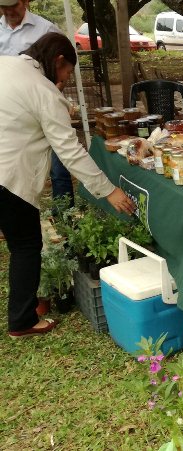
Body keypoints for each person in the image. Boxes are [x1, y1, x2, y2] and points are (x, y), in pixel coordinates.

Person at [0, 32, 136, 339]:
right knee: (25, 246)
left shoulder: (6, 65)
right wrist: (108, 190)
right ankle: (22, 321)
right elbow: (70, 151)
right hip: (8, 177)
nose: (64, 79)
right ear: (58, 60)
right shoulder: (43, 90)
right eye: (65, 72)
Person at [0, 0, 75, 212]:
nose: (8, 11)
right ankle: (12, 215)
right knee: (16, 167)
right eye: (3, 6)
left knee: (60, 165)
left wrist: (54, 98)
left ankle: (63, 215)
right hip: (14, 116)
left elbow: (64, 66)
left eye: (13, 5)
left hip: (44, 106)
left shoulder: (46, 29)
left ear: (26, 2)